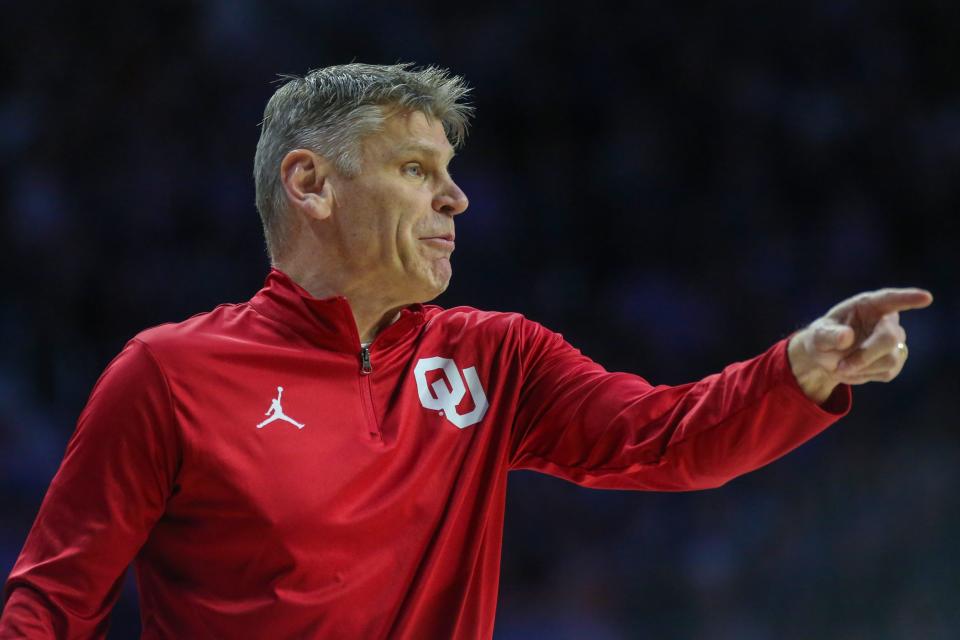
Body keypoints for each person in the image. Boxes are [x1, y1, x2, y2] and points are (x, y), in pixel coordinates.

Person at [0, 63, 932, 639]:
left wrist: (801, 368)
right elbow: (50, 609)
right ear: (312, 183)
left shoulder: (496, 359)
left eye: (452, 173)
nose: (457, 200)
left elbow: (668, 439)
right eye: (418, 171)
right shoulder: (169, 375)